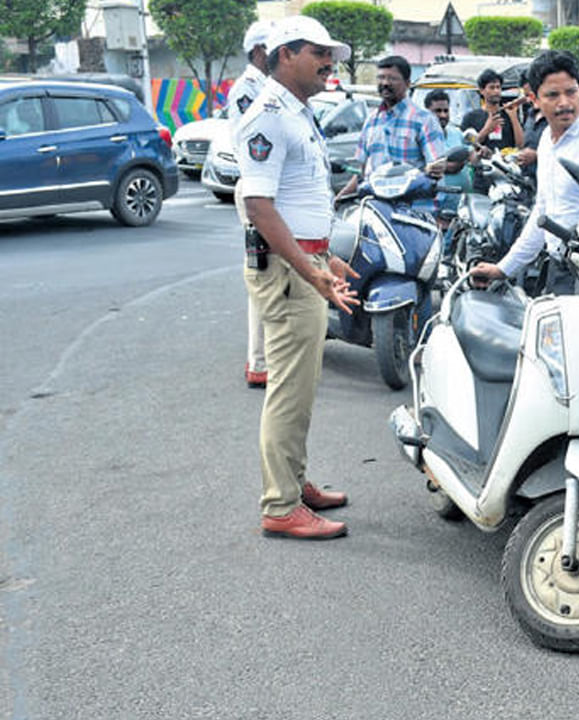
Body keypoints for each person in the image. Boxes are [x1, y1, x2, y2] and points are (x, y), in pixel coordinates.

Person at [236, 16, 361, 540]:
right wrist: (311, 273)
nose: (330, 61)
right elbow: (259, 205)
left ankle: (294, 480)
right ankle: (281, 505)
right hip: (288, 272)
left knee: (302, 386)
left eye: (332, 53)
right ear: (285, 53)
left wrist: (325, 256)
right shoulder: (267, 115)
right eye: (319, 52)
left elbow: (299, 201)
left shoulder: (297, 111)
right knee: (289, 390)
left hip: (304, 263)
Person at [468, 50, 579, 295]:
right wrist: (503, 269)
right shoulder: (546, 140)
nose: (564, 102)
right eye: (553, 95)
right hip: (558, 268)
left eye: (571, 92)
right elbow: (543, 213)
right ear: (533, 99)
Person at [229, 19, 274, 390]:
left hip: (268, 190)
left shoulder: (265, 87)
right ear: (260, 52)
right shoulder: (249, 90)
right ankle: (259, 361)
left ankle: (266, 358)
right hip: (258, 190)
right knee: (263, 276)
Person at [337, 55, 447, 201]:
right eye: (381, 78)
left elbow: (436, 171)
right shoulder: (371, 121)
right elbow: (361, 174)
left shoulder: (424, 120)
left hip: (413, 212)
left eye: (392, 78)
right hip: (377, 210)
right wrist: (339, 199)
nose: (385, 83)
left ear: (407, 83)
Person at [461, 69, 525, 191]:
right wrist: (487, 129)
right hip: (482, 177)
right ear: (482, 91)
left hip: (508, 176)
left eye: (498, 87)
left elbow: (520, 145)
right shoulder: (471, 117)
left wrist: (513, 117)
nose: (496, 91)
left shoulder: (508, 114)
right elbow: (468, 148)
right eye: (491, 87)